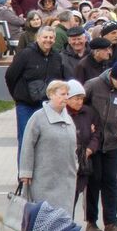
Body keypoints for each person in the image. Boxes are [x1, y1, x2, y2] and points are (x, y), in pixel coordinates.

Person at [80, 61, 117, 231]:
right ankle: (91, 221)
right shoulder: (93, 85)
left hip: (112, 141)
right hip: (93, 141)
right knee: (94, 181)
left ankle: (111, 222)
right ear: (111, 76)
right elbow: (79, 106)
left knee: (110, 181)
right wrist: (87, 125)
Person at [19, 79, 82, 217]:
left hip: (66, 177)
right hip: (44, 177)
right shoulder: (38, 117)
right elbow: (27, 145)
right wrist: (25, 172)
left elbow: (74, 146)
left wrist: (75, 165)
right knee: (45, 213)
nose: (66, 97)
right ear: (51, 95)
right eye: (62, 94)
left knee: (64, 215)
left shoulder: (69, 119)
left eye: (67, 94)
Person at [6, 26, 66, 147]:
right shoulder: (25, 54)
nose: (48, 40)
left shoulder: (57, 57)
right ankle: (24, 166)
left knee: (46, 142)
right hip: (26, 106)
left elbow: (60, 80)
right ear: (37, 38)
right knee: (26, 141)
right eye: (45, 37)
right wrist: (18, 95)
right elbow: (10, 76)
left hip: (48, 106)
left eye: (51, 38)